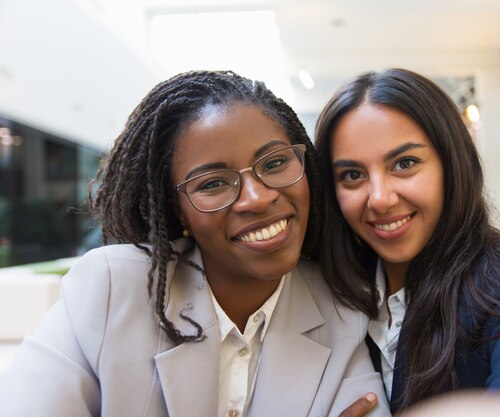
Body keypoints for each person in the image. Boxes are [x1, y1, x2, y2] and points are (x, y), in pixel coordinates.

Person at [0, 70, 390, 417]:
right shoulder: (108, 290)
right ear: (179, 211)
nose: (256, 198)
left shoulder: (343, 313)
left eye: (274, 163)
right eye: (213, 184)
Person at [315, 68, 500, 415]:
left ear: (450, 165)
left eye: (404, 164)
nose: (379, 198)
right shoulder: (330, 286)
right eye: (352, 175)